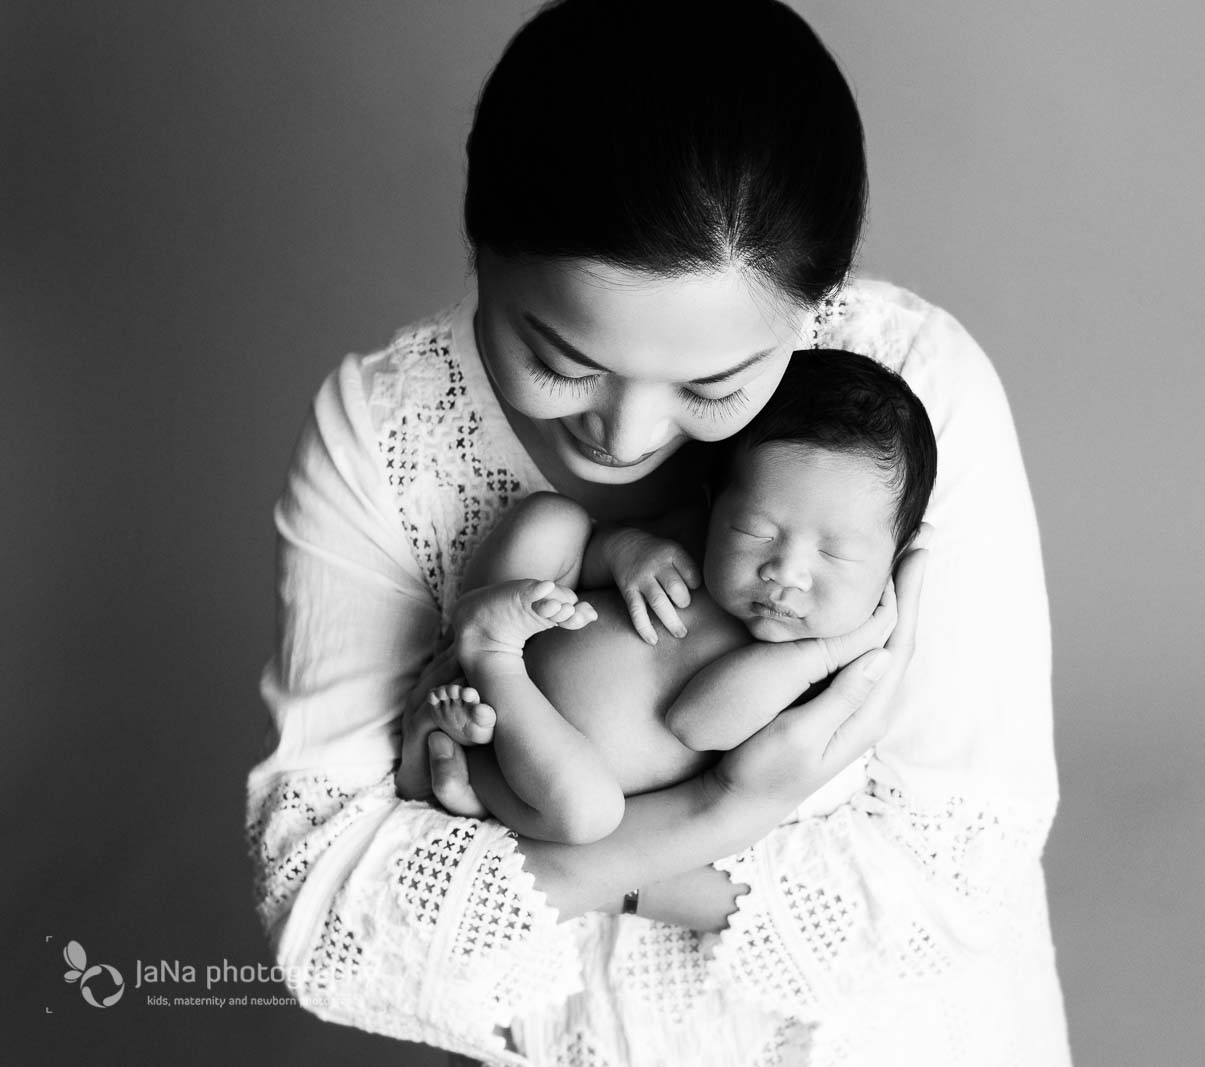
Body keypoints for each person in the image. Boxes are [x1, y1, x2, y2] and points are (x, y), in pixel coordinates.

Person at [247, 0, 1071, 1063]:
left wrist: (557, 865)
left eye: (716, 383)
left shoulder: (902, 399)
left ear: (806, 309)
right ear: (482, 250)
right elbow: (331, 916)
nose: (624, 433)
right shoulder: (386, 428)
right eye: (560, 358)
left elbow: (950, 876)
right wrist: (721, 812)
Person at [430, 351, 935, 846]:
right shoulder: (698, 541)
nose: (785, 571)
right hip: (526, 635)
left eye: (837, 555)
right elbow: (589, 558)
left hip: (545, 764)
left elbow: (695, 723)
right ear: (715, 504)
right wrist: (624, 551)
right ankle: (461, 663)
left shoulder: (824, 679)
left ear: (894, 560)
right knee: (551, 520)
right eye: (755, 530)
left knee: (588, 813)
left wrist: (822, 654)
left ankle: (484, 723)